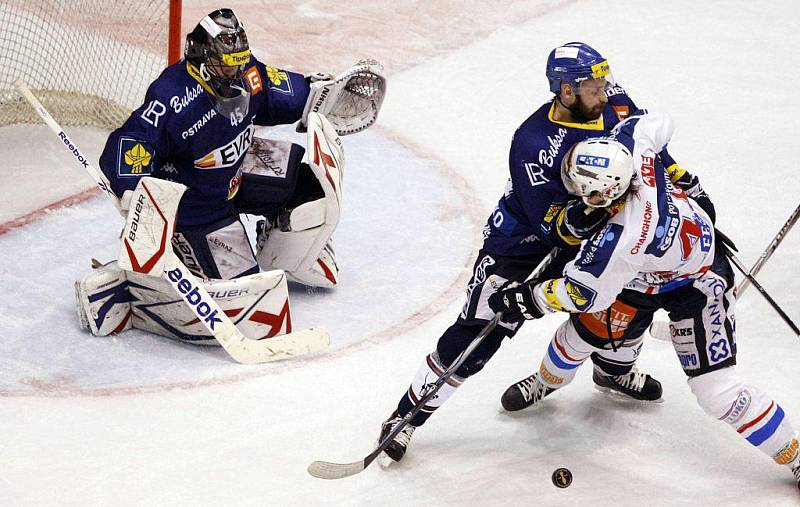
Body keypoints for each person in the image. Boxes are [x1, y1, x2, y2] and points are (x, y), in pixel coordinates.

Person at [375, 42, 699, 465]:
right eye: (594, 87)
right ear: (566, 90)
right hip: (523, 246)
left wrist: (680, 181)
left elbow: (648, 151)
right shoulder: (533, 143)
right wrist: (593, 206)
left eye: (604, 82)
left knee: (634, 294)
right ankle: (407, 417)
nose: (605, 94)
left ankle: (612, 372)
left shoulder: (612, 102)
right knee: (482, 330)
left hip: (597, 234)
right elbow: (554, 228)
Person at [488, 110, 800, 490]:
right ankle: (551, 380)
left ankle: (796, 455)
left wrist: (526, 298)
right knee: (581, 338)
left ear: (601, 195)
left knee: (717, 393)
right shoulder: (632, 144)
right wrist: (685, 180)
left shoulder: (618, 243)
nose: (567, 186)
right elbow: (659, 121)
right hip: (662, 267)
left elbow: (579, 293)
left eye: (575, 184)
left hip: (695, 286)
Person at [74, 8, 385, 343]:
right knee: (245, 296)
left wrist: (318, 94)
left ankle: (276, 243)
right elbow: (131, 141)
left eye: (240, 61)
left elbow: (279, 89)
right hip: (198, 209)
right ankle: (142, 293)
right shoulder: (172, 97)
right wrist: (131, 188)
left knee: (309, 187)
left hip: (237, 173)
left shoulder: (246, 73)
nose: (236, 70)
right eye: (227, 63)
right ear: (202, 58)